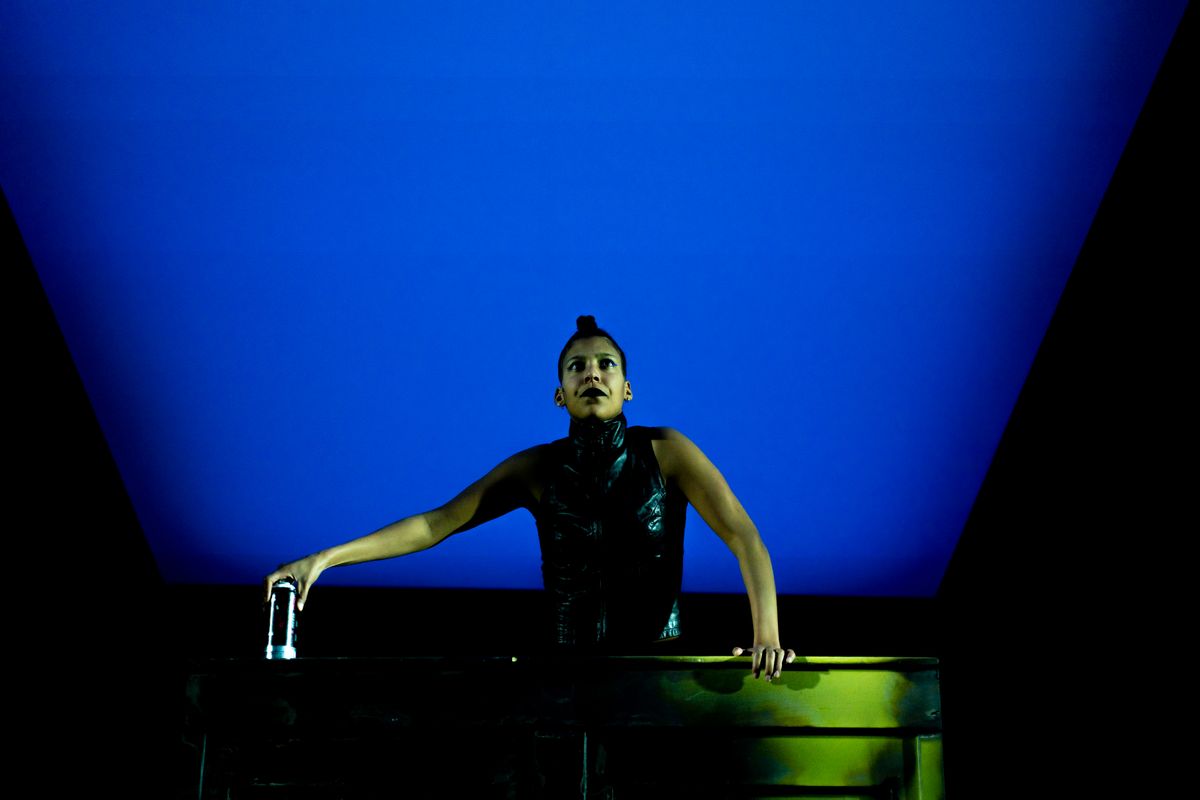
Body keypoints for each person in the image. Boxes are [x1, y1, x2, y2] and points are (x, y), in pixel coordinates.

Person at [265, 316, 795, 680]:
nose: (592, 373)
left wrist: (766, 637)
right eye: (577, 367)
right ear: (559, 394)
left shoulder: (668, 451)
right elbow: (435, 524)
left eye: (606, 364)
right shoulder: (537, 469)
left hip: (656, 671)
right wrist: (324, 559)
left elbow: (744, 537)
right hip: (564, 676)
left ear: (627, 388)